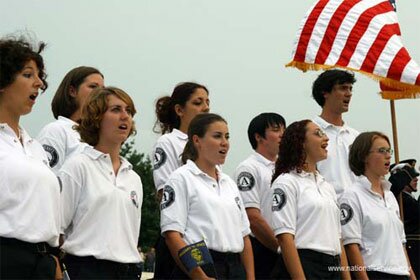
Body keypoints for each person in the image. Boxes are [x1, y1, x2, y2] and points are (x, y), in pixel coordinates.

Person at [59, 87, 143, 279]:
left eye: (128, 111)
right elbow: (57, 229)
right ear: (97, 118)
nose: (125, 116)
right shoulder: (78, 166)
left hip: (128, 270)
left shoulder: (134, 179)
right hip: (86, 269)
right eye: (116, 109)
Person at [160, 113, 254, 279]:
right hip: (202, 265)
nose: (224, 142)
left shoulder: (229, 183)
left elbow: (244, 235)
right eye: (217, 136)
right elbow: (172, 234)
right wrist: (199, 276)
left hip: (234, 268)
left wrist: (250, 277)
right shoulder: (181, 178)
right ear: (197, 140)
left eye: (227, 136)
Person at [0, 37, 61, 279]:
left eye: (39, 76)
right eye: (28, 74)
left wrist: (54, 260)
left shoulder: (35, 148)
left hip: (42, 262)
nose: (39, 83)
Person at [271, 120, 349, 279]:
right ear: (301, 142)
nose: (326, 138)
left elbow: (338, 239)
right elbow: (285, 238)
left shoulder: (326, 186)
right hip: (305, 264)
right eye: (318, 134)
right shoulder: (287, 182)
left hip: (333, 266)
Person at [152, 82, 210, 279]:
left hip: (205, 239)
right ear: (179, 110)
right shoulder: (168, 142)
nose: (206, 107)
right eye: (198, 102)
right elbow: (165, 192)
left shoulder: (207, 146)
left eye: (207, 102)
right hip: (180, 236)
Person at [340, 132, 415, 279]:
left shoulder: (390, 196)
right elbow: (351, 246)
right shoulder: (352, 196)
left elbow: (401, 244)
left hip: (401, 273)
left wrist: (411, 276)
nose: (388, 156)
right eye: (382, 151)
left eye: (389, 151)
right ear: (363, 156)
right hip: (375, 272)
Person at [233, 112, 285, 279]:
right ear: (259, 137)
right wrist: (280, 248)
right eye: (276, 130)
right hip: (262, 248)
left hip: (285, 247)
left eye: (284, 129)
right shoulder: (248, 168)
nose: (282, 134)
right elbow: (252, 218)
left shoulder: (286, 169)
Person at [37, 66, 104, 172]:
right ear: (72, 91)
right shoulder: (56, 131)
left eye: (103, 90)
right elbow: (48, 179)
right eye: (93, 86)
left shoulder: (99, 138)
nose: (100, 93)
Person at [312, 69, 359, 198]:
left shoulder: (356, 137)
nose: (348, 94)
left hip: (357, 211)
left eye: (350, 89)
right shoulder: (308, 135)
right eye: (343, 88)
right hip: (325, 210)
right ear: (325, 92)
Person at [389, 159, 420, 277]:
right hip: (411, 249)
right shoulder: (400, 199)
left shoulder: (410, 199)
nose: (416, 179)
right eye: (411, 177)